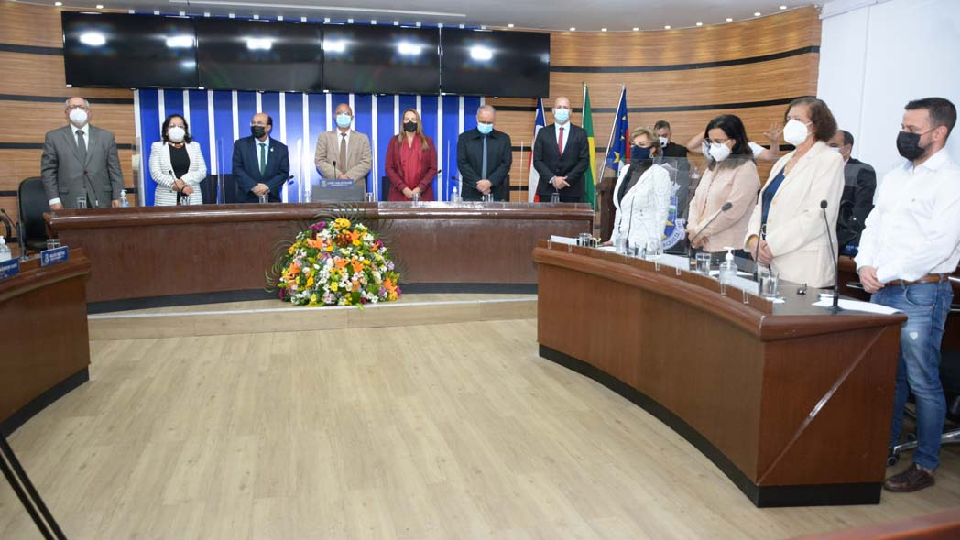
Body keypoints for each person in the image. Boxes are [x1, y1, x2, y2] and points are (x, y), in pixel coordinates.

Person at [856, 97, 960, 493]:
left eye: (913, 130)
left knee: (923, 381)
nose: (904, 135)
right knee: (888, 377)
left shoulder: (950, 180)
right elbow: (873, 224)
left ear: (939, 133)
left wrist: (882, 273)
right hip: (882, 288)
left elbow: (938, 245)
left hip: (922, 293)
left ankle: (925, 465)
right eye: (902, 127)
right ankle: (885, 446)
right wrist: (865, 265)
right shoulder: (896, 175)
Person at [744, 97, 844, 288]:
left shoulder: (829, 160)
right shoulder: (784, 161)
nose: (790, 124)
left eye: (797, 119)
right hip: (767, 263)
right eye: (789, 119)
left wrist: (771, 246)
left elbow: (817, 216)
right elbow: (762, 205)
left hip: (802, 267)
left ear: (816, 125)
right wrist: (753, 239)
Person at [686, 115, 760, 257]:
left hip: (730, 250)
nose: (713, 146)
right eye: (710, 141)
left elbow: (732, 210)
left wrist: (699, 232)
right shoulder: (712, 167)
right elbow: (695, 202)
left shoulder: (746, 168)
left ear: (734, 141)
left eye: (718, 142)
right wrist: (693, 229)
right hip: (701, 245)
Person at [40, 97, 124, 210]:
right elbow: (48, 171)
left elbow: (115, 170)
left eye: (81, 107)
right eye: (72, 107)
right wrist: (54, 199)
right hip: (68, 200)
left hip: (102, 199)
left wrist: (118, 196)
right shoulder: (54, 137)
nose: (77, 110)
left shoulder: (106, 137)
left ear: (89, 112)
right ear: (66, 113)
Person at [607, 128, 672, 251]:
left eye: (641, 145)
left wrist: (652, 248)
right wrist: (614, 238)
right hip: (621, 244)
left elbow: (662, 213)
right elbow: (620, 210)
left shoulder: (659, 174)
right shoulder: (625, 170)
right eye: (633, 144)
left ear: (652, 149)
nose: (635, 148)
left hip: (645, 246)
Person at [826, 130, 876, 254]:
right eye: (825, 146)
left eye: (833, 146)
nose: (827, 150)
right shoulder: (818, 171)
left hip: (841, 240)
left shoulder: (862, 170)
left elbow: (861, 210)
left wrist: (839, 241)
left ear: (847, 148)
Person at [533, 96, 590, 203]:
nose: (562, 110)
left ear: (570, 111)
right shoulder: (543, 133)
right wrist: (552, 178)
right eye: (559, 107)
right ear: (553, 111)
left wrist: (567, 179)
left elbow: (584, 160)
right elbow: (537, 160)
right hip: (547, 191)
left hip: (573, 191)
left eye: (565, 107)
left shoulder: (580, 133)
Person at [148, 113, 207, 206]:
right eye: (172, 126)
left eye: (180, 126)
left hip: (192, 198)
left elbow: (202, 171)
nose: (176, 129)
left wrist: (183, 181)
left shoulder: (195, 146)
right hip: (166, 200)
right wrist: (178, 185)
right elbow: (155, 173)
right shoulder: (157, 147)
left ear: (185, 131)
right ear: (166, 131)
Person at [457, 105, 513, 201]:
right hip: (471, 192)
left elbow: (506, 164)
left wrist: (489, 182)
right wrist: (479, 184)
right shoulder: (465, 138)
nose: (486, 124)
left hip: (496, 192)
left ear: (494, 121)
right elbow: (462, 164)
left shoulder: (503, 139)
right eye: (483, 122)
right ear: (476, 119)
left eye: (489, 122)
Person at [233, 112, 290, 203]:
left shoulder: (281, 148)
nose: (255, 125)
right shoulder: (241, 145)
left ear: (268, 127)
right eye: (253, 123)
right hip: (246, 200)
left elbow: (283, 173)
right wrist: (253, 186)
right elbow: (237, 169)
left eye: (259, 123)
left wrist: (267, 187)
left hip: (271, 200)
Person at [385, 108, 438, 201]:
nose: (410, 122)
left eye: (413, 119)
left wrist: (420, 187)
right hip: (398, 195)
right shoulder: (394, 141)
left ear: (418, 122)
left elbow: (433, 168)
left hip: (423, 195)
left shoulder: (427, 141)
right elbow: (389, 168)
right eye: (407, 119)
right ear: (403, 122)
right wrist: (403, 188)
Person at [314, 103, 372, 185]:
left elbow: (367, 163)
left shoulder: (362, 138)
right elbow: (319, 161)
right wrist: (338, 176)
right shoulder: (324, 137)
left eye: (347, 113)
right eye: (339, 113)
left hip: (356, 186)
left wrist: (348, 177)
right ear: (335, 116)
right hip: (330, 186)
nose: (343, 116)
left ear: (352, 117)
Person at [686, 122, 783, 163]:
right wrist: (708, 130)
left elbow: (770, 157)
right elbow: (691, 147)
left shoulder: (747, 147)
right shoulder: (714, 147)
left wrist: (774, 142)